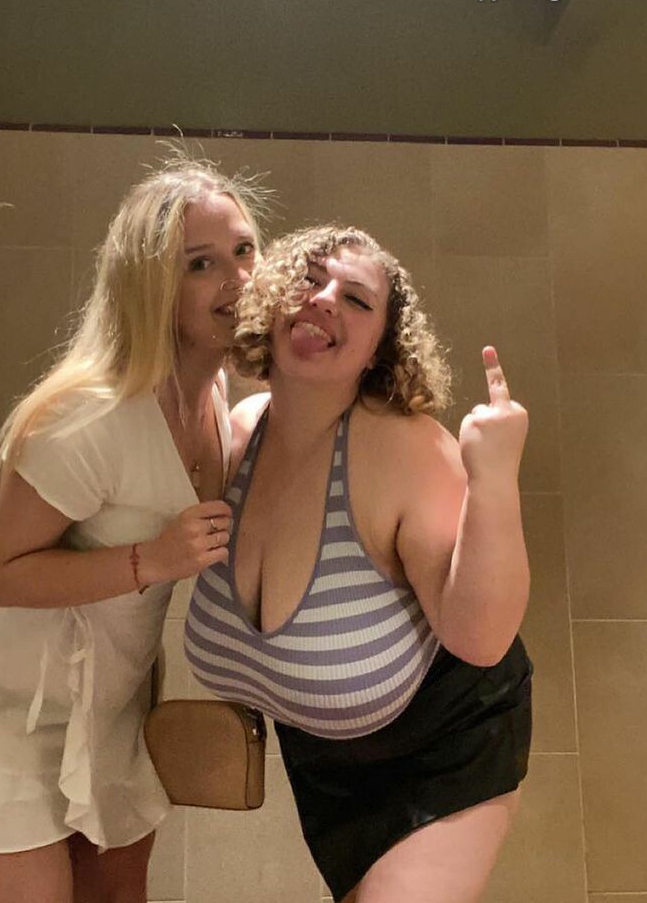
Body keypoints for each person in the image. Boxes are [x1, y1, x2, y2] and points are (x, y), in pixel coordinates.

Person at [0, 152, 267, 903]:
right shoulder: (91, 413)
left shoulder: (217, 402)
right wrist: (152, 559)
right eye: (201, 263)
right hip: (7, 711)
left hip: (110, 709)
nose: (238, 277)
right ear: (151, 285)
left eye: (244, 249)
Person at [184, 224, 532, 903]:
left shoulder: (406, 450)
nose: (324, 300)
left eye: (356, 299)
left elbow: (481, 639)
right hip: (327, 764)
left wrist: (495, 480)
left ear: (380, 349)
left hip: (449, 746)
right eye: (310, 280)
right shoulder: (237, 436)